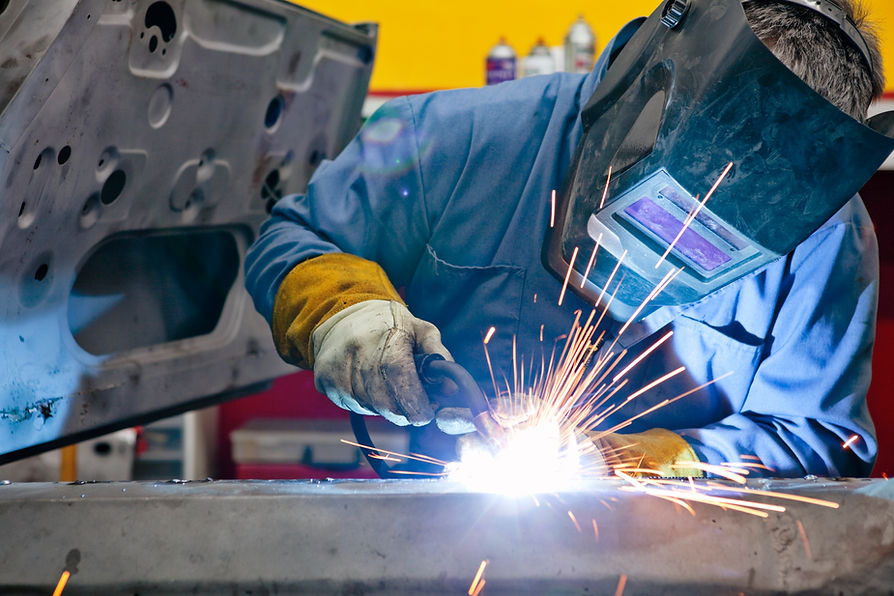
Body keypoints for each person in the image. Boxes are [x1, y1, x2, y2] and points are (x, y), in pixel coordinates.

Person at [245, 0, 886, 477]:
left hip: (686, 550)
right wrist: (343, 310)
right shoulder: (451, 139)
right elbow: (295, 238)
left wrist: (638, 459)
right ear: (643, 88)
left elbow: (816, 433)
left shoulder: (822, 234)